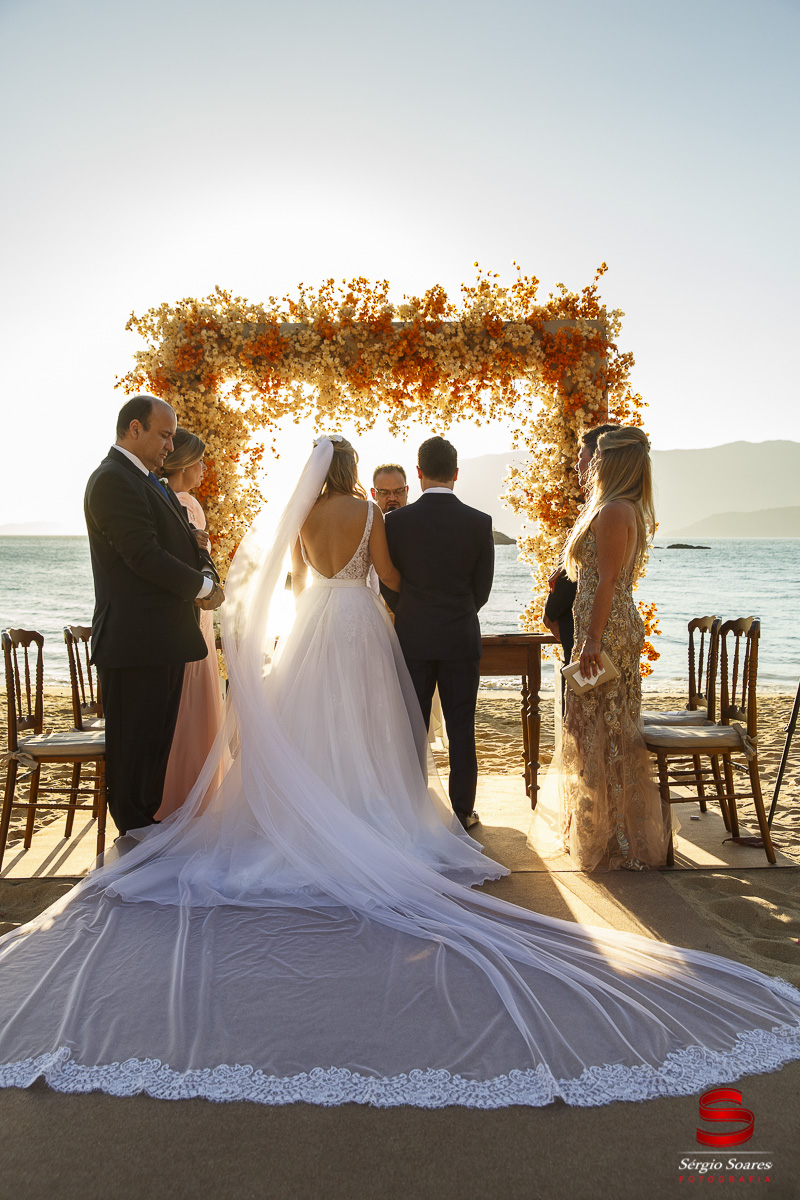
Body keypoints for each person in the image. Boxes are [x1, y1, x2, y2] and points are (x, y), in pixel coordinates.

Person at [2, 434, 800, 1112]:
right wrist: (403, 586)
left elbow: (281, 583)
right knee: (373, 733)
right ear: (359, 474)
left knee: (317, 727)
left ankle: (307, 816)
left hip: (312, 625)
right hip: (358, 626)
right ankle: (378, 813)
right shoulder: (368, 517)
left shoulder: (303, 516)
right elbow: (386, 578)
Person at [529, 426, 670, 871]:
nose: (592, 465)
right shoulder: (619, 507)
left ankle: (612, 839)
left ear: (615, 462)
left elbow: (606, 579)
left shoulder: (613, 510)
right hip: (605, 627)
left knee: (601, 728)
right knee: (598, 727)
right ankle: (604, 831)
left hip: (605, 632)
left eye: (600, 457)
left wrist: (590, 639)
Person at [84, 396, 225, 835]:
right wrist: (203, 588)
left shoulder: (152, 483)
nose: (170, 444)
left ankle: (146, 836)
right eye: (164, 435)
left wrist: (206, 570)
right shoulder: (112, 480)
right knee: (133, 757)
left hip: (163, 638)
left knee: (154, 755)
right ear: (134, 429)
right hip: (134, 643)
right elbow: (142, 556)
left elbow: (191, 542)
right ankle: (133, 844)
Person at [381, 437, 494, 831]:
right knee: (462, 726)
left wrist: (409, 611)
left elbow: (387, 581)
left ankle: (413, 807)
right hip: (461, 637)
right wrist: (457, 613)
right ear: (456, 474)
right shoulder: (480, 523)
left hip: (412, 637)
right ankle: (463, 811)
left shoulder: (394, 522)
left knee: (412, 725)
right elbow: (482, 590)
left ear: (419, 474)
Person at [156, 429, 224, 820]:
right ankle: (191, 797)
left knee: (188, 703)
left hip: (197, 612)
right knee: (191, 703)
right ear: (185, 463)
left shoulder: (181, 501)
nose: (203, 467)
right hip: (194, 615)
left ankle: (178, 793)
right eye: (199, 461)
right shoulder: (184, 505)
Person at [541, 424, 620, 668]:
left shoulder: (611, 510)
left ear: (599, 458)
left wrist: (551, 613)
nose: (577, 465)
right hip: (579, 625)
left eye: (582, 457)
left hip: (591, 629)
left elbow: (603, 575)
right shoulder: (598, 508)